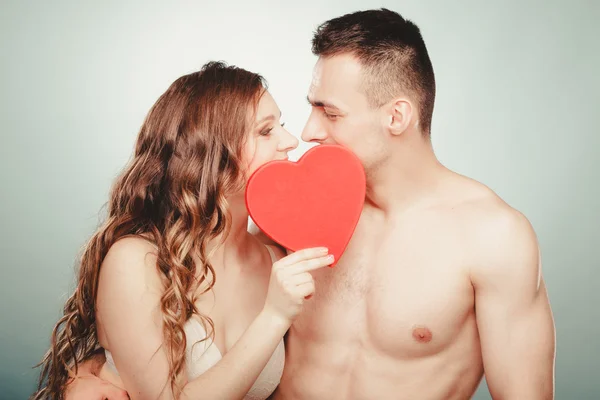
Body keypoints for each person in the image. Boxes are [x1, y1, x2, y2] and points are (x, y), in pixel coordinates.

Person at [61, 8, 558, 400]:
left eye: (330, 113)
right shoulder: (289, 225)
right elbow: (182, 306)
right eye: (310, 107)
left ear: (398, 116)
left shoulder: (493, 237)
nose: (307, 133)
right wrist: (93, 371)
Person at [31, 61, 335, 400]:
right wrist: (274, 316)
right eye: (265, 131)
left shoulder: (276, 260)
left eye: (281, 125)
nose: (290, 141)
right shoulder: (136, 261)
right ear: (212, 155)